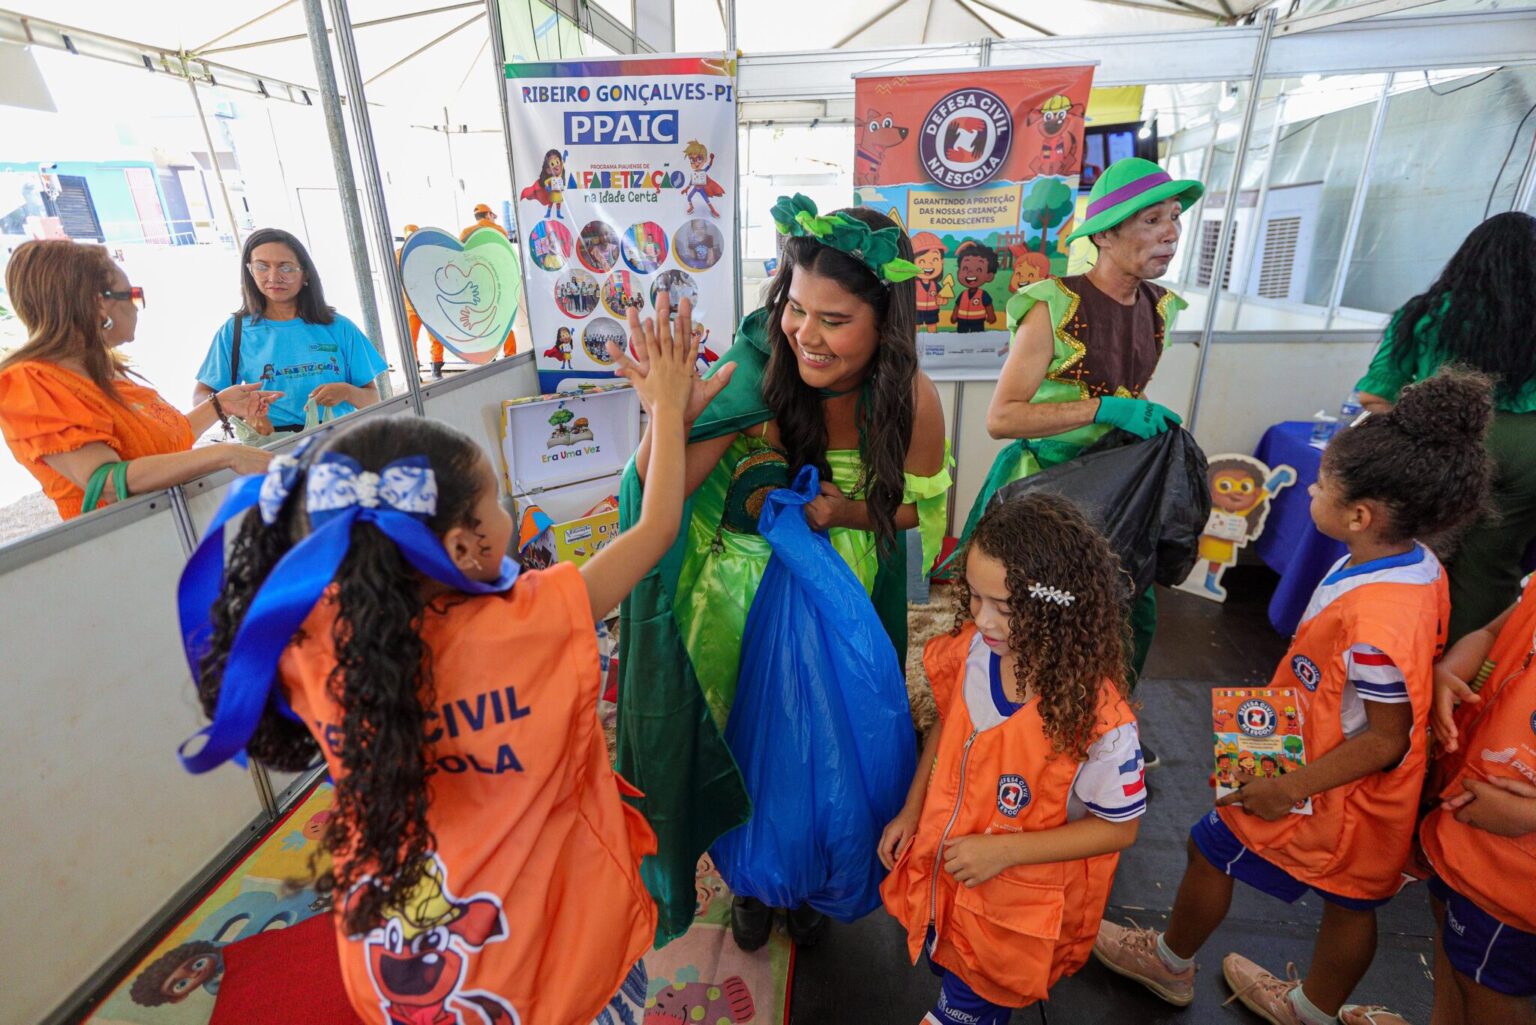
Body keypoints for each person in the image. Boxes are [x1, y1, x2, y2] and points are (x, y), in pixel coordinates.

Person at [181, 311, 726, 1025]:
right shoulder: (530, 620)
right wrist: (664, 409)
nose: (505, 514)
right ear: (465, 547)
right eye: (495, 500)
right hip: (555, 965)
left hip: (406, 975)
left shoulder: (312, 647)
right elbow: (654, 528)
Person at [1094, 371, 1497, 1025]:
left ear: (1360, 516)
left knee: (1214, 847)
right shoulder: (1411, 562)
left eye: (1321, 485)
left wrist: (1288, 787)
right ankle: (1311, 1009)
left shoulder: (1378, 622)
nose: (1310, 489)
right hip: (1313, 743)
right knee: (1351, 898)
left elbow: (1386, 737)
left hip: (1322, 776)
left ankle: (1168, 963)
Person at [615, 194, 951, 951]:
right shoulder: (755, 372)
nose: (806, 334)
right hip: (739, 603)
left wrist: (846, 512)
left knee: (831, 749)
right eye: (796, 308)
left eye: (835, 319)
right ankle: (749, 882)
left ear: (886, 324)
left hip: (844, 597)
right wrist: (667, 415)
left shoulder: (911, 399)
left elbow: (920, 510)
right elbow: (658, 491)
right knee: (751, 745)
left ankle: (806, 879)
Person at [965, 156, 1204, 765]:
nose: (1171, 233)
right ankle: (1022, 737)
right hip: (1045, 495)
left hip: (1117, 489)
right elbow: (1002, 418)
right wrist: (1105, 409)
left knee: (1130, 610)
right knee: (1038, 617)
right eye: (1152, 220)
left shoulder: (1160, 307)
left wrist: (1138, 416)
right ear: (1105, 235)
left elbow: (1126, 384)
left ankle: (1104, 728)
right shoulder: (1054, 305)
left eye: (1174, 218)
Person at [878, 493, 1145, 1025]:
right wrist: (912, 808)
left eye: (1004, 606)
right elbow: (946, 724)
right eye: (974, 597)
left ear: (1058, 606)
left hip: (1009, 918)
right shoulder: (971, 651)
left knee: (968, 1005)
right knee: (947, 964)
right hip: (947, 883)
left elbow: (1120, 829)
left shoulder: (1101, 721)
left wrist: (1004, 852)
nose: (983, 620)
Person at [1354, 211, 1536, 643]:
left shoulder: (1426, 313)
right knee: (1492, 565)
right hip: (1529, 451)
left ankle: (1392, 657)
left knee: (1413, 556)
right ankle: (1464, 673)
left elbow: (1373, 396)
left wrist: (1417, 425)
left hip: (1447, 442)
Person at [0, 240, 276, 519]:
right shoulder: (32, 382)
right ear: (100, 304)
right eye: (131, 294)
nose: (136, 307)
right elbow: (106, 482)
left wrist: (220, 405)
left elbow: (163, 449)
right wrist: (227, 455)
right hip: (124, 536)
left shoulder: (103, 368)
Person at [1403, 579, 1536, 1025]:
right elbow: (1492, 633)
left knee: (1490, 985)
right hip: (1468, 828)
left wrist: (1527, 814)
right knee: (1456, 944)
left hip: (1517, 874)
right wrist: (1449, 673)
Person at [193, 228, 386, 433]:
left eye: (286, 267)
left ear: (305, 274)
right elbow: (201, 397)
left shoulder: (339, 327)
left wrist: (347, 392)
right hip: (270, 444)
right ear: (250, 271)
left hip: (341, 439)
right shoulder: (235, 331)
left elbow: (373, 398)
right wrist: (243, 412)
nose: (273, 277)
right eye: (262, 266)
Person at [460, 204, 518, 358]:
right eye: (493, 216)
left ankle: (487, 356)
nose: (494, 219)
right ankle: (510, 353)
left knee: (482, 321)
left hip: (477, 284)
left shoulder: (466, 232)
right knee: (503, 320)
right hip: (499, 281)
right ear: (487, 215)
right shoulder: (499, 231)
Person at [396, 223, 445, 380]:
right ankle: (414, 371)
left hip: (428, 305)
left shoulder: (427, 253)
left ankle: (436, 367)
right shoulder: (399, 254)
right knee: (410, 340)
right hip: (411, 305)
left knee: (436, 337)